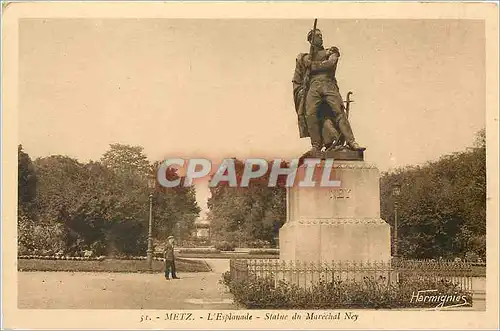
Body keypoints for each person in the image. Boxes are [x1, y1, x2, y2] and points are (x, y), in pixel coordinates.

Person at [292, 28, 365, 156]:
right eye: (316, 36)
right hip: (313, 87)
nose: (320, 38)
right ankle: (316, 144)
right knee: (310, 114)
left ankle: (352, 142)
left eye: (321, 35)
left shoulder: (331, 51)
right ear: (310, 40)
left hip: (328, 84)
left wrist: (312, 65)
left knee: (339, 112)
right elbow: (303, 68)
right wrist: (309, 64)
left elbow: (330, 64)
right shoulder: (304, 57)